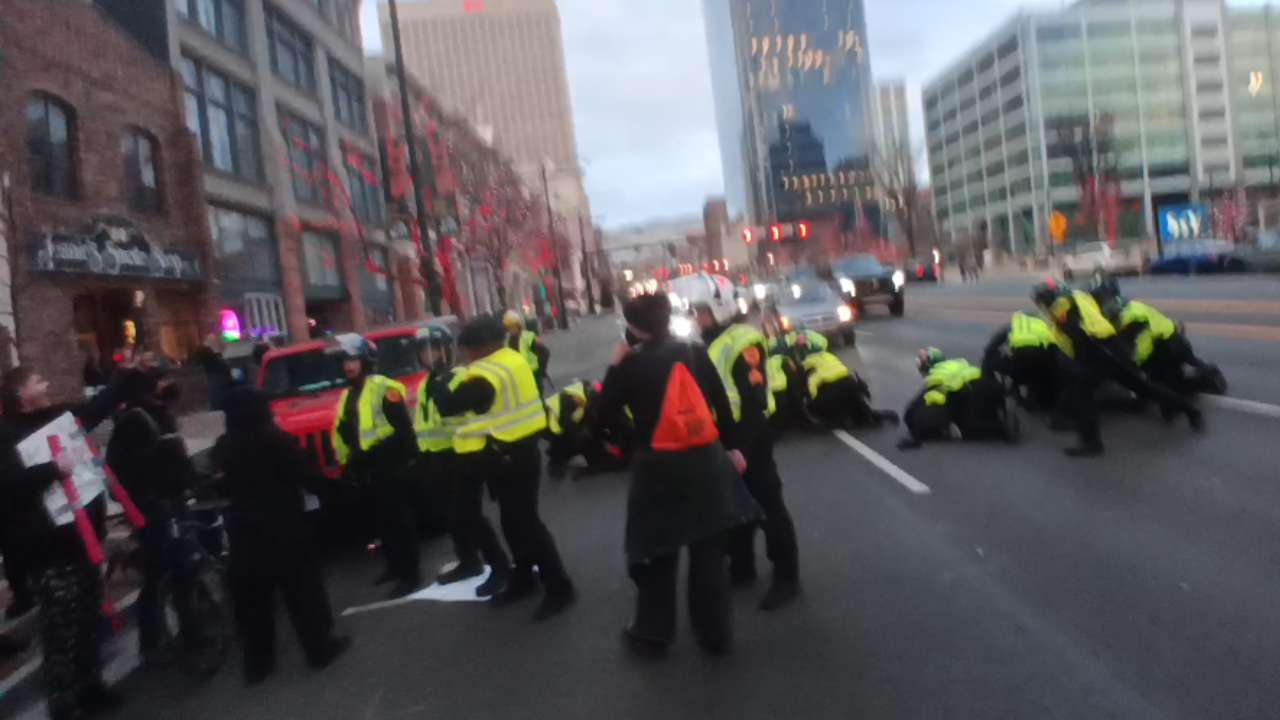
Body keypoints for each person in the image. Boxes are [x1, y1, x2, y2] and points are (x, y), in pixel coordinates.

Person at [592, 294, 761, 655]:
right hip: (706, 462)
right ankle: (714, 634)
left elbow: (601, 415)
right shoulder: (695, 352)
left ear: (633, 328)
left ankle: (652, 634)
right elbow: (720, 402)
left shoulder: (630, 364)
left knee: (658, 551)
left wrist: (613, 367)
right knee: (708, 549)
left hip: (658, 469)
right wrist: (732, 448)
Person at [0, 365, 149, 720]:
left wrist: (127, 375)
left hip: (84, 537)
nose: (46, 384)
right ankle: (64, 702)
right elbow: (7, 485)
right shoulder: (7, 434)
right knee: (61, 629)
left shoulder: (58, 417)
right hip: (49, 547)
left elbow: (97, 408)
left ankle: (91, 686)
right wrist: (52, 470)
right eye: (38, 381)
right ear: (21, 393)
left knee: (88, 618)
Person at [429, 316, 575, 621]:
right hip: (516, 451)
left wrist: (438, 382)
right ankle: (524, 578)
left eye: (466, 347)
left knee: (526, 524)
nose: (464, 353)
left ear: (480, 346)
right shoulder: (510, 358)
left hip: (511, 456)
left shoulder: (485, 374)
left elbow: (450, 405)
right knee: (513, 523)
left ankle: (559, 587)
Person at [213, 388, 350, 685]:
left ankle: (258, 664)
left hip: (244, 529)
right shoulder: (276, 440)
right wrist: (337, 493)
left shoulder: (225, 445)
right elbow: (306, 476)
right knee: (303, 590)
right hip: (284, 524)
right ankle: (319, 648)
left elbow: (221, 484)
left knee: (253, 600)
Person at [691, 274, 800, 611]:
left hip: (749, 436)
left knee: (769, 507)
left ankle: (786, 577)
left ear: (720, 308)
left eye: (703, 311)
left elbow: (753, 401)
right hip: (724, 437)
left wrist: (741, 448)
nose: (697, 317)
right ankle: (742, 568)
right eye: (696, 311)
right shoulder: (708, 341)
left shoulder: (743, 342)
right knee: (734, 506)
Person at [1033, 279, 1201, 457]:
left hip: (1103, 351)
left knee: (1087, 396)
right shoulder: (1065, 307)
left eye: (1041, 300)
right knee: (1141, 388)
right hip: (1103, 352)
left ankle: (1092, 443)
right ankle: (1191, 411)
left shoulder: (1065, 308)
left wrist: (1083, 360)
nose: (1040, 304)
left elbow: (1084, 335)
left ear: (1049, 298)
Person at [412, 324, 508, 592]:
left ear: (445, 349)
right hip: (436, 456)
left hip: (461, 454)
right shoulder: (426, 382)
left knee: (471, 515)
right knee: (452, 516)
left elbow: (463, 411)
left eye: (433, 349)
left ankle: (499, 566)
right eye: (423, 350)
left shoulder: (456, 377)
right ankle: (468, 561)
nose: (428, 354)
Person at [104, 408, 202, 663]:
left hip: (152, 516)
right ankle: (183, 632)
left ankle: (162, 638)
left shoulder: (122, 450)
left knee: (164, 574)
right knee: (175, 572)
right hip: (159, 516)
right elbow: (180, 478)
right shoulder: (153, 445)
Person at [330, 334, 421, 598]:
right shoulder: (348, 394)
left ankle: (410, 575)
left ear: (365, 360)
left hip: (390, 465)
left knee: (400, 522)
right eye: (344, 360)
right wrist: (349, 464)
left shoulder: (384, 388)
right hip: (367, 469)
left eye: (352, 359)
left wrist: (391, 457)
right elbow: (347, 432)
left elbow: (404, 431)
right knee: (382, 523)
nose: (347, 365)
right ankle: (394, 566)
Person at [1091, 275, 1227, 400]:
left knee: (1170, 390)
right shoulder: (1129, 306)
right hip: (1172, 337)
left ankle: (1207, 380)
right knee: (1187, 363)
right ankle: (1206, 370)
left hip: (1163, 350)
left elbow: (1127, 354)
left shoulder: (1121, 321)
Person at [898, 348, 1018, 449]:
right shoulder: (958, 364)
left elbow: (911, 410)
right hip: (992, 386)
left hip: (974, 391)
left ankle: (1002, 428)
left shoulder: (936, 377)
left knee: (965, 430)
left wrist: (915, 436)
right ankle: (998, 415)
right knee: (962, 403)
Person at [981, 311, 1072, 416]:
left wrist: (1002, 356)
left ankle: (990, 393)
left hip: (1018, 370)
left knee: (988, 358)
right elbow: (1059, 352)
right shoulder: (1045, 328)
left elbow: (990, 348)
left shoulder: (1013, 327)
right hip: (1043, 370)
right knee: (1048, 361)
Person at [545, 380, 629, 479]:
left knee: (587, 428)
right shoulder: (569, 402)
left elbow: (592, 416)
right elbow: (569, 429)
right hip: (553, 430)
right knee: (582, 438)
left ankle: (559, 454)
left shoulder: (581, 391)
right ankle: (558, 459)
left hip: (557, 425)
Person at [802, 350, 900, 430]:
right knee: (861, 415)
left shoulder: (806, 365)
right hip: (850, 384)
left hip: (831, 393)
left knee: (819, 410)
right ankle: (874, 416)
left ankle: (837, 420)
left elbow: (812, 394)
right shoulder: (828, 355)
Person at [502, 310, 550, 392]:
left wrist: (542, 370)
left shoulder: (528, 338)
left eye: (512, 326)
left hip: (532, 374)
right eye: (508, 327)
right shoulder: (506, 340)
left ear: (518, 325)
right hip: (516, 375)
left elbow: (544, 352)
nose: (510, 329)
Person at [191, 334, 234, 412]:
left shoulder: (208, 357)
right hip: (219, 373)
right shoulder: (217, 361)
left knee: (217, 389)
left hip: (217, 374)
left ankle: (218, 405)